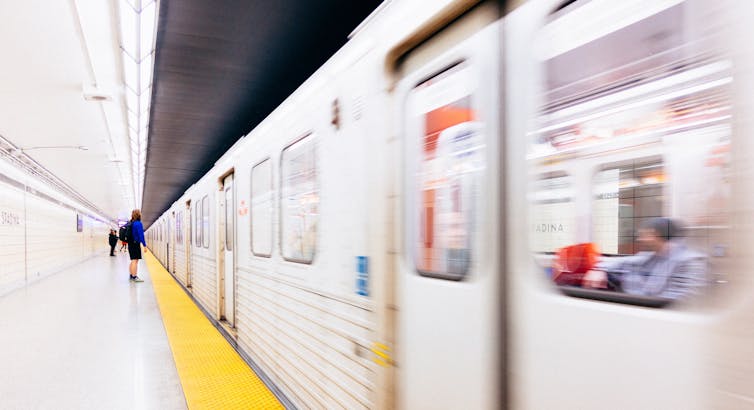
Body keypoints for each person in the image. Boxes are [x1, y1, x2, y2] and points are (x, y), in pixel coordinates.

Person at [582, 217, 707, 300]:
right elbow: (618, 262)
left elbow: (681, 301)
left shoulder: (691, 262)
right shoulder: (649, 257)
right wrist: (598, 269)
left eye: (643, 235)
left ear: (655, 234)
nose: (639, 239)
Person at [127, 209, 148, 282]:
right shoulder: (138, 223)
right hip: (135, 244)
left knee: (133, 260)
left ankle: (131, 275)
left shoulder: (131, 223)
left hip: (130, 244)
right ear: (139, 215)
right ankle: (134, 276)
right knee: (135, 260)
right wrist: (144, 245)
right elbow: (141, 235)